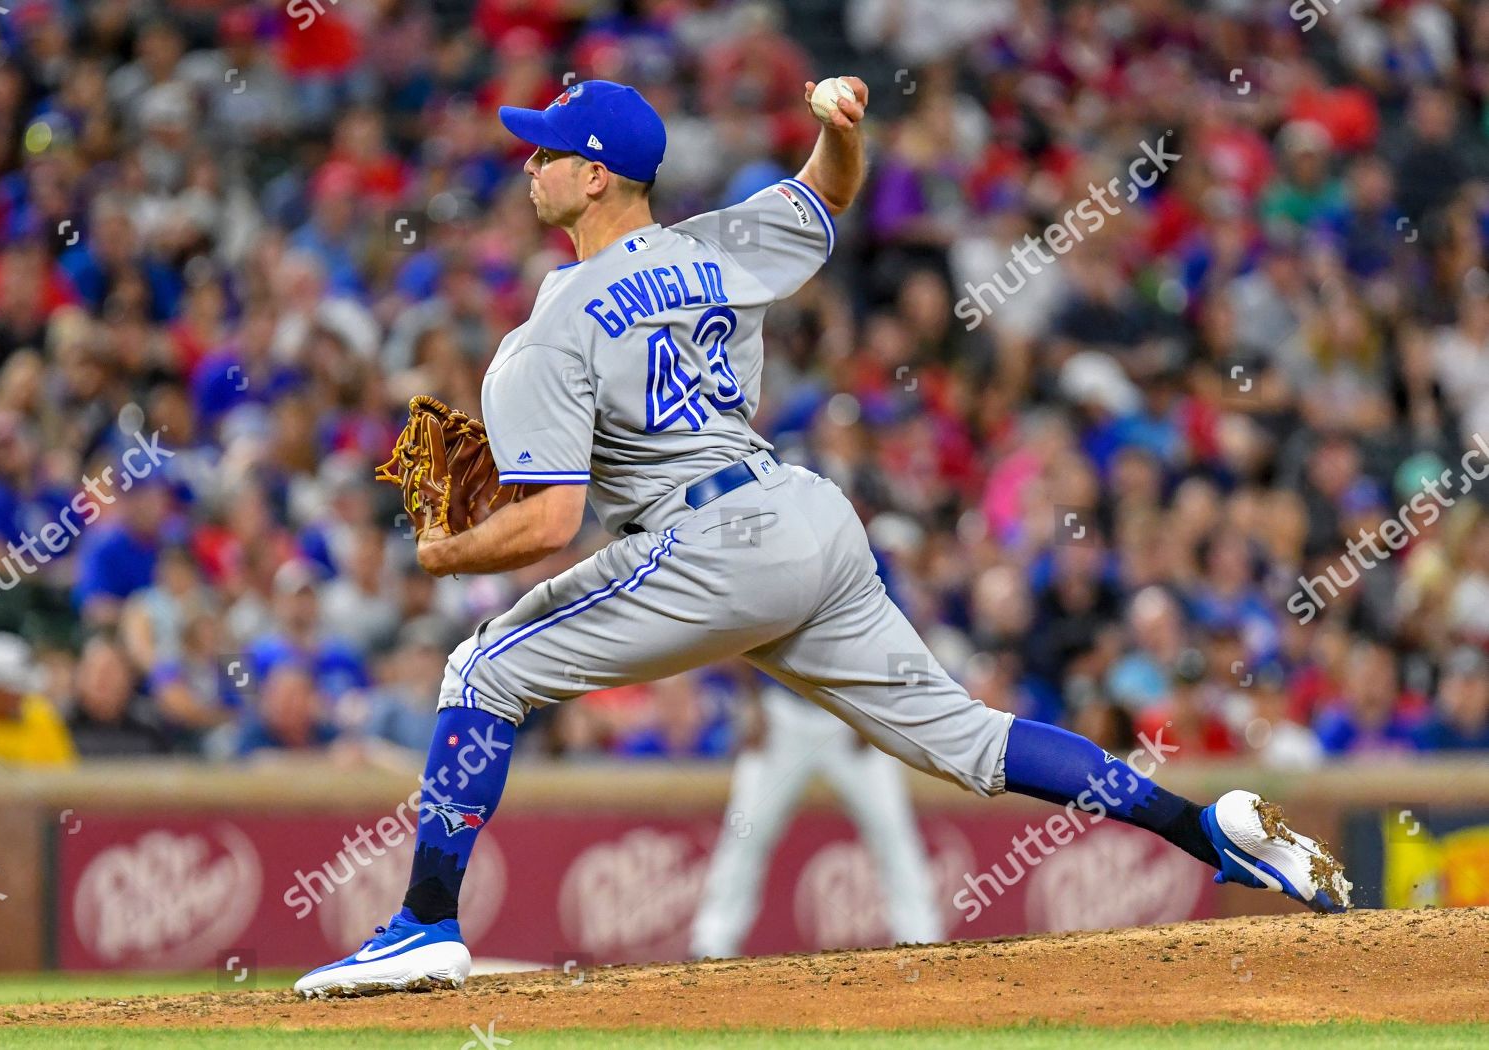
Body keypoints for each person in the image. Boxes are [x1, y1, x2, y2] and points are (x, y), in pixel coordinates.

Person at [294, 77, 1351, 999]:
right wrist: (842, 121)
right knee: (971, 740)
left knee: (480, 670)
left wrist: (443, 554)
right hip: (807, 514)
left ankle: (424, 926)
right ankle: (1200, 830)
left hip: (712, 539)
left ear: (600, 178)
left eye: (552, 151)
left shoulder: (550, 331)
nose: (532, 163)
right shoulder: (718, 247)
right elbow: (831, 186)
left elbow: (552, 523)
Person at [689, 679, 943, 959]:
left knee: (892, 831)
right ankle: (711, 943)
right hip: (782, 711)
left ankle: (923, 939)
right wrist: (751, 700)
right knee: (743, 830)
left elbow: (889, 641)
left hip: (849, 708)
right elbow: (737, 637)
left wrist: (875, 708)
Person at [0, 633, 75, 766]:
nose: (10, 696)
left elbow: (65, 770)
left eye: (16, 687)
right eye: (0, 688)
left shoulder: (40, 715)